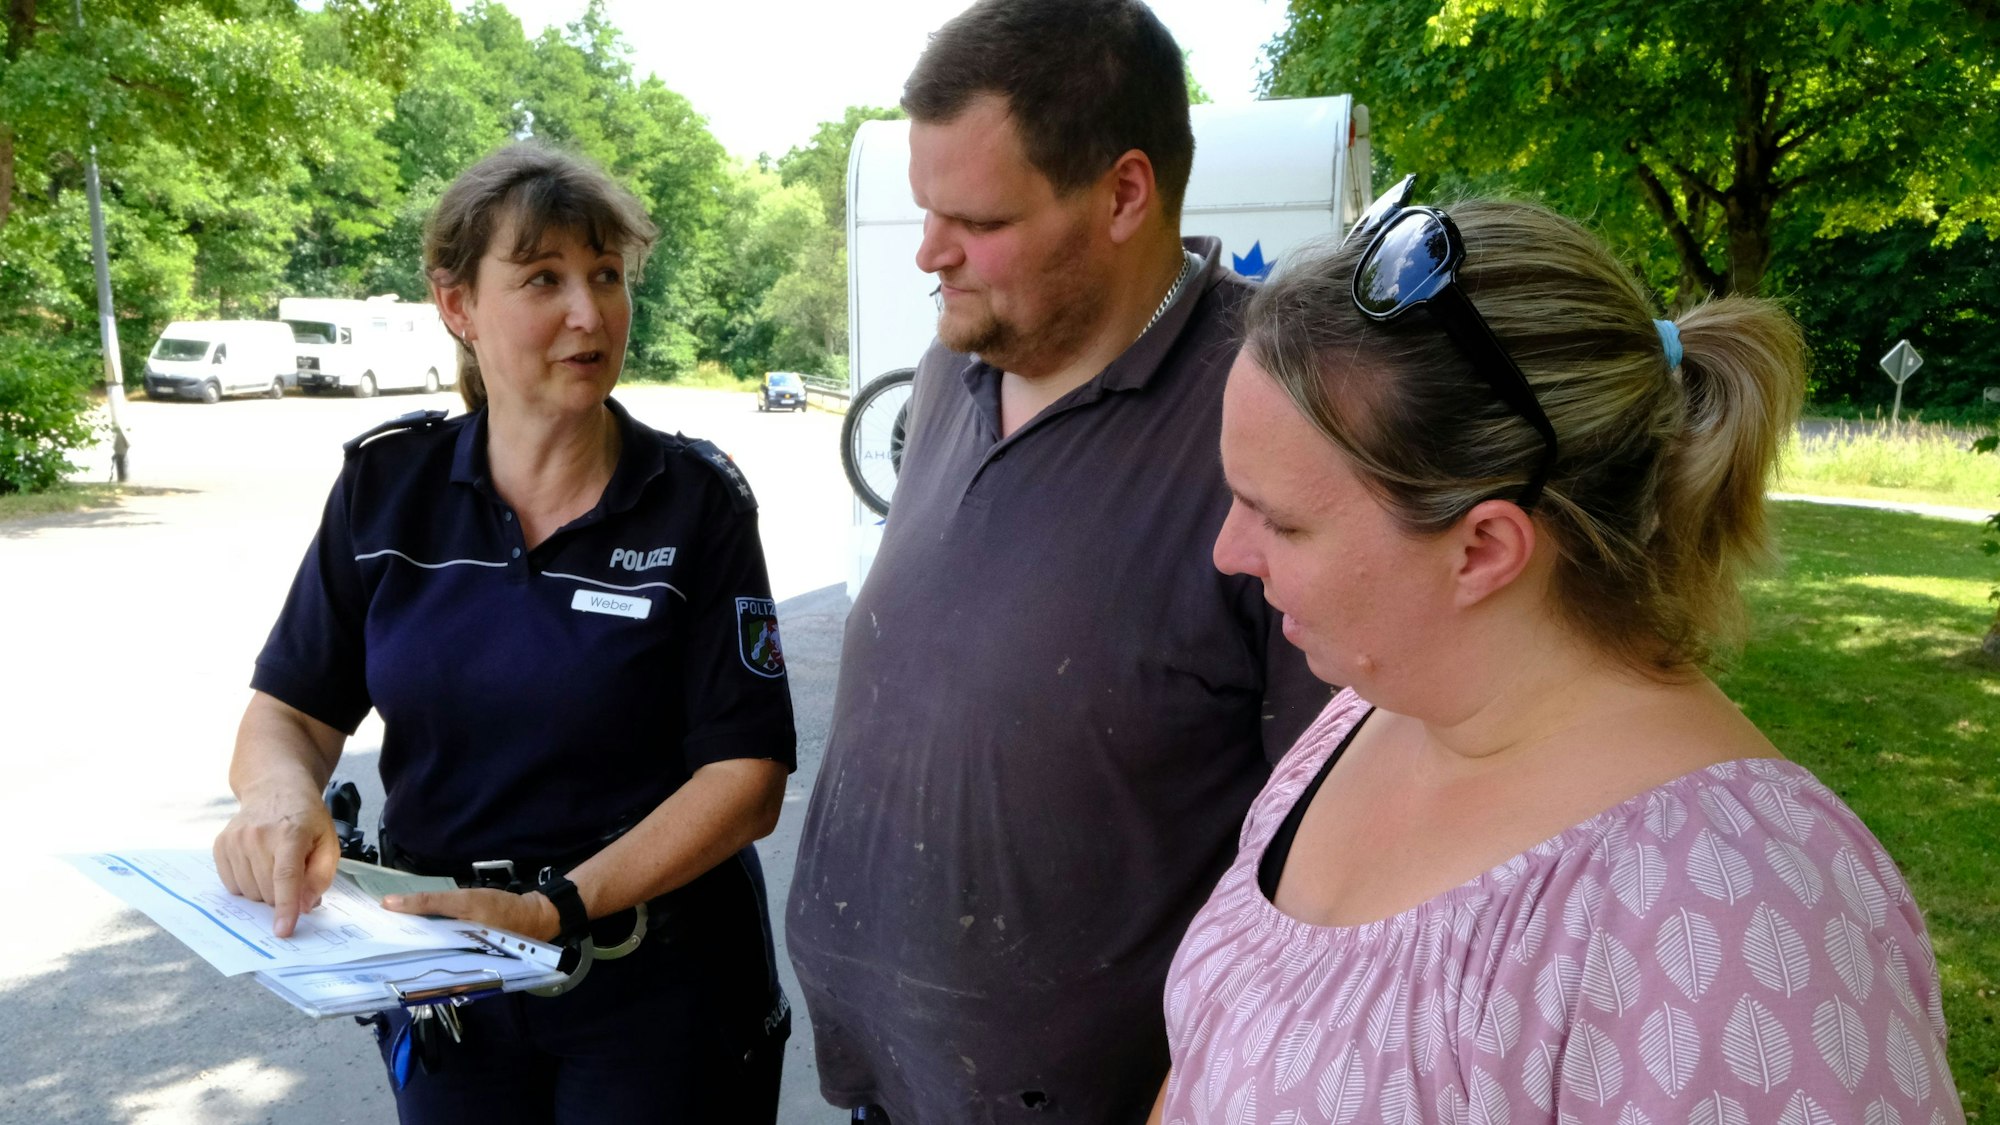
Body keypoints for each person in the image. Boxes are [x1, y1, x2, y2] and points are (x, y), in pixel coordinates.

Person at [1150, 181, 1965, 1121]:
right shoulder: (1365, 716)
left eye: (1280, 522)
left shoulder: (1739, 920)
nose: (1228, 551)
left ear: (1483, 549)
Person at [785, 1, 1326, 1120]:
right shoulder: (958, 362)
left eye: (972, 219)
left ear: (1124, 194)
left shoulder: (1280, 414)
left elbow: (1331, 833)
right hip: (889, 1081)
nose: (928, 252)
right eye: (922, 210)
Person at [211, 143, 797, 1124]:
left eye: (605, 276)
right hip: (450, 984)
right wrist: (277, 798)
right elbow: (291, 713)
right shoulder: (386, 491)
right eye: (543, 279)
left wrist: (554, 909)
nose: (590, 312)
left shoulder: (692, 503)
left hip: (654, 985)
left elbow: (744, 780)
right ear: (458, 308)